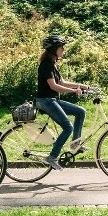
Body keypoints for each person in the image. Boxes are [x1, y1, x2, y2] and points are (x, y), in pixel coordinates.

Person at [36, 34, 90, 171]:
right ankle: (52, 156)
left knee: (80, 111)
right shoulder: (46, 65)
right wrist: (73, 91)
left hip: (53, 100)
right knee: (68, 127)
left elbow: (62, 82)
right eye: (62, 47)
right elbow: (54, 86)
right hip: (46, 101)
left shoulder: (53, 65)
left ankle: (75, 144)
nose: (63, 49)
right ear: (54, 49)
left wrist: (82, 86)